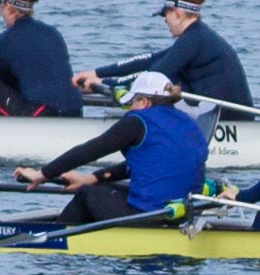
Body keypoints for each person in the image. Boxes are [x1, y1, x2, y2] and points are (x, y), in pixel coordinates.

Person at [13, 71, 208, 225]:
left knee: (87, 194)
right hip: (182, 214)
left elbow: (90, 150)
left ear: (144, 102)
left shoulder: (138, 121)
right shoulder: (189, 123)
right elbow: (150, 163)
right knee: (97, 187)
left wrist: (42, 174)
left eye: (132, 102)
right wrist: (92, 178)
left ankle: (52, 246)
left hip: (149, 216)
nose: (130, 107)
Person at [72, 0, 252, 133]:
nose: (165, 20)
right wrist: (97, 73)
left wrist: (104, 84)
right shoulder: (197, 37)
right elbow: (150, 60)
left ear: (178, 14)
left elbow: (152, 77)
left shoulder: (195, 39)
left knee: (150, 91)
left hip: (231, 124)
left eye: (166, 15)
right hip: (220, 116)